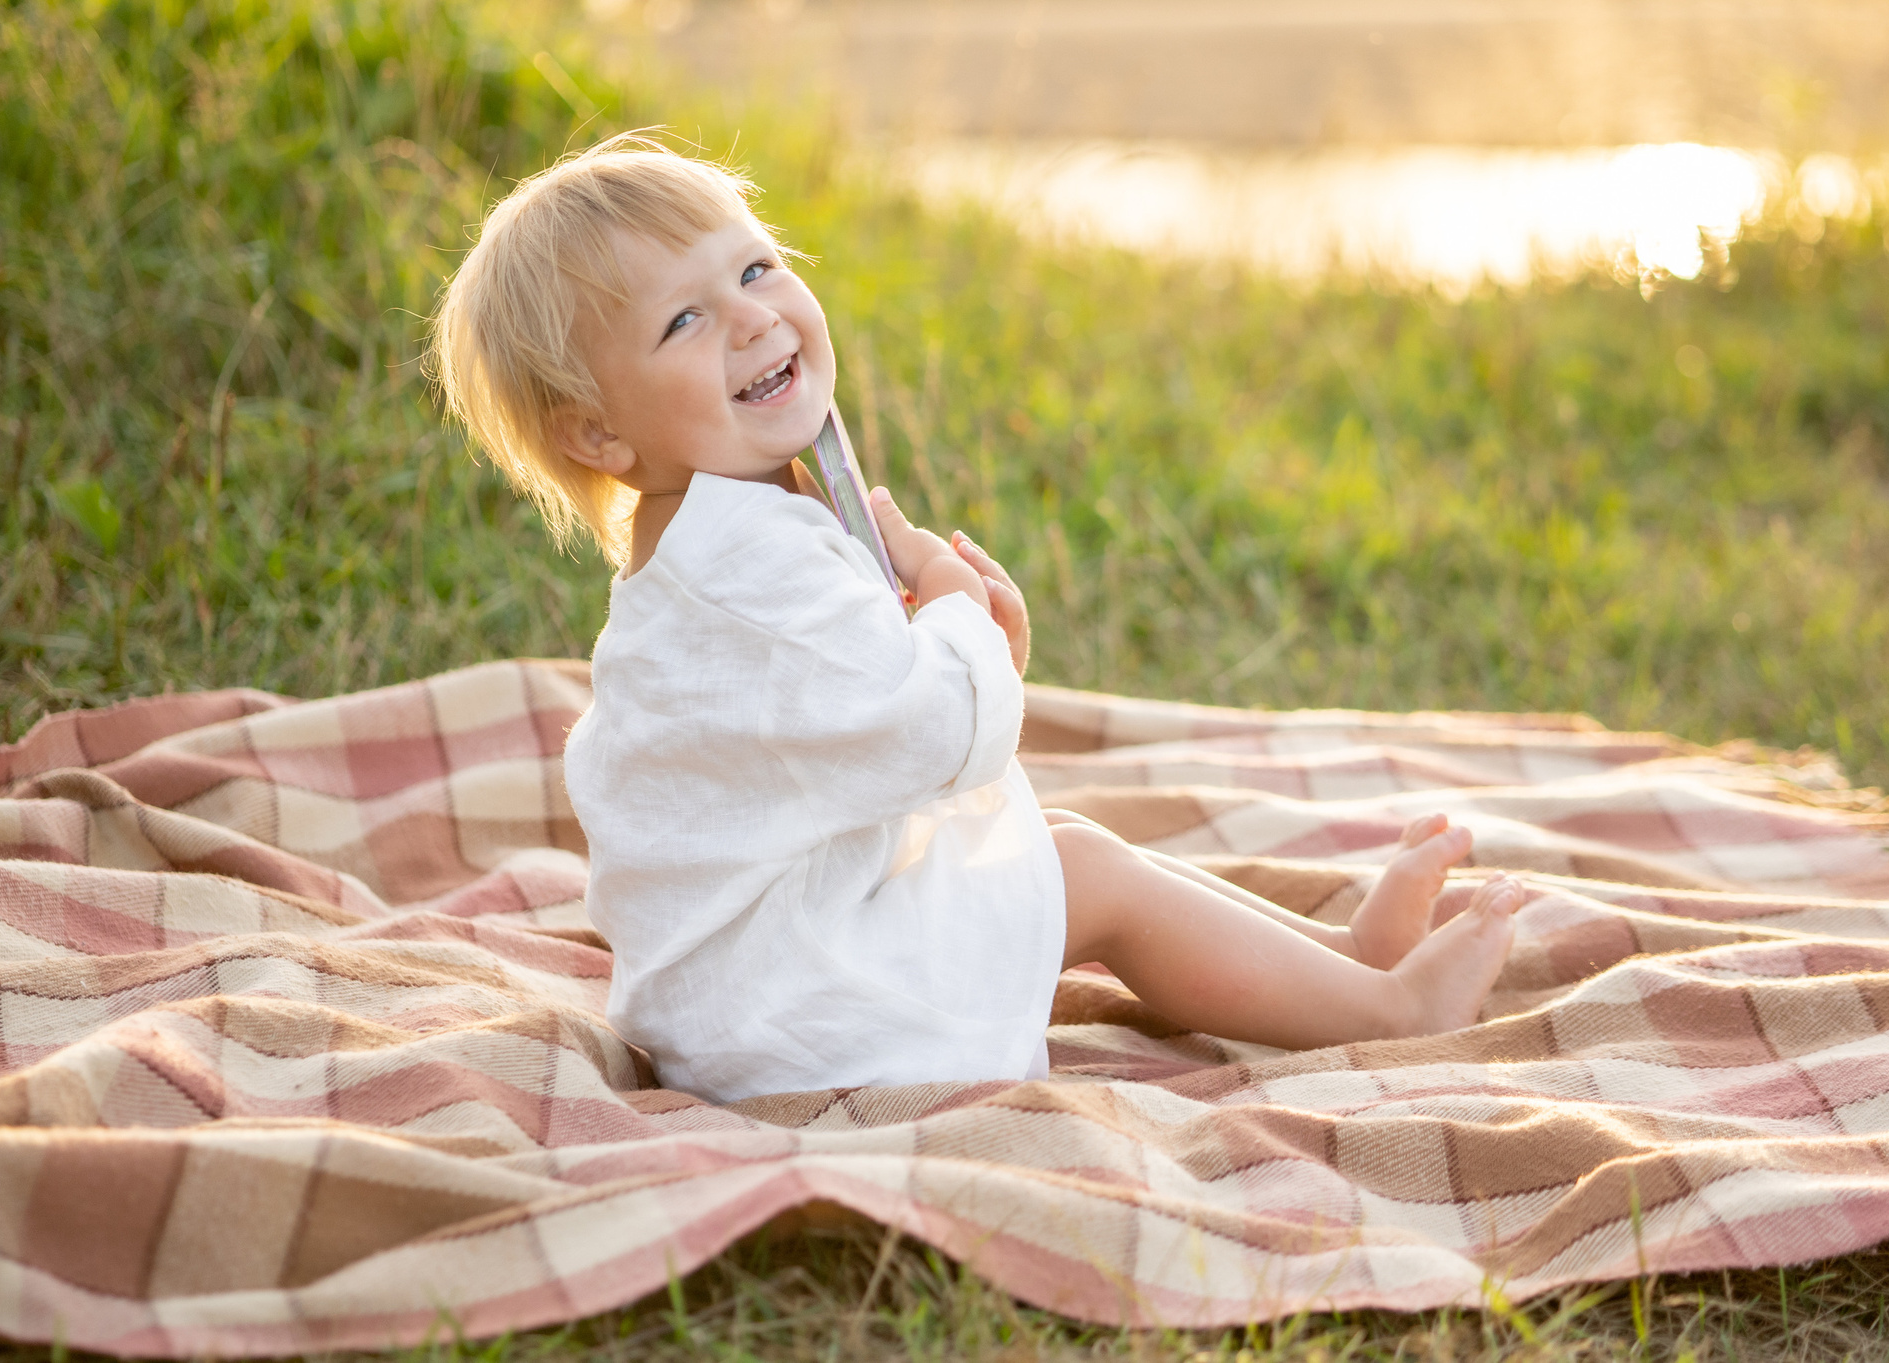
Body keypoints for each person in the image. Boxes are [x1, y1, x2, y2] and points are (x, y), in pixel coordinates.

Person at [428, 134, 1526, 1101]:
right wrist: (954, 624)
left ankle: (1343, 967)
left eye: (755, 267)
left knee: (1059, 854)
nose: (753, 318)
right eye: (684, 319)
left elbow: (850, 744)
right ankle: (1392, 1016)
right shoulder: (750, 563)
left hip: (756, 987)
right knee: (1088, 877)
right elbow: (930, 738)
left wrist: (966, 653)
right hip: (811, 1017)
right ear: (598, 438)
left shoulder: (726, 530)